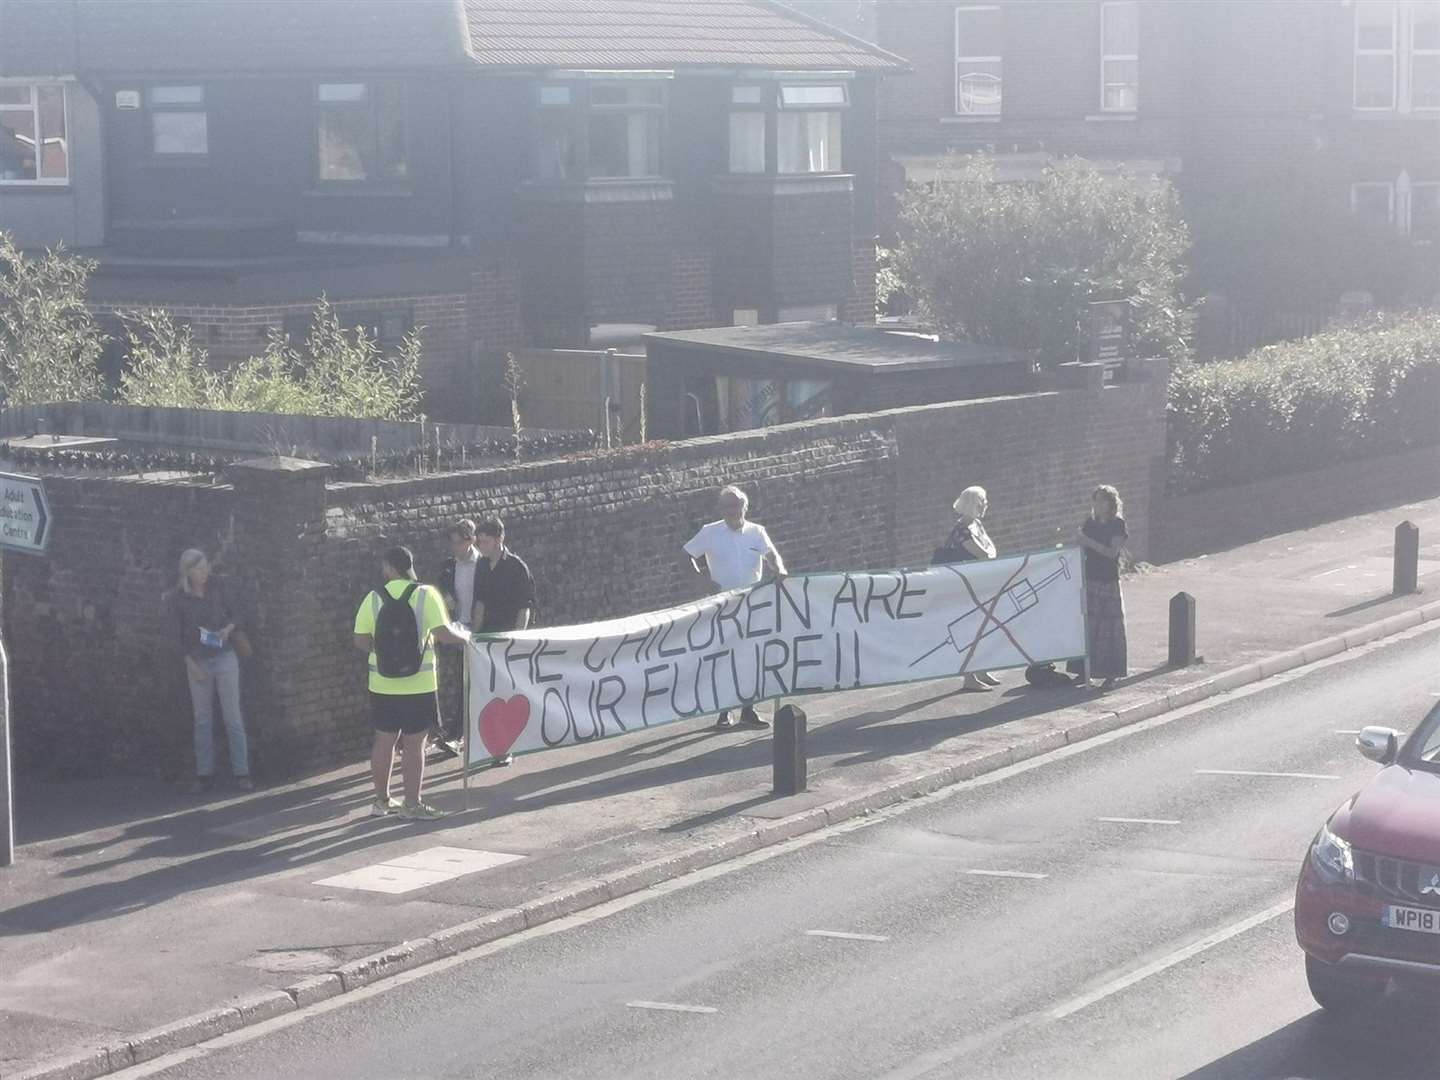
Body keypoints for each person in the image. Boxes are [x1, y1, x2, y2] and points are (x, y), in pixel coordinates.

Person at [353, 545, 469, 819]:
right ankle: (412, 805)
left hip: (381, 684)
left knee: (384, 741)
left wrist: (382, 652)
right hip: (419, 684)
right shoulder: (426, 595)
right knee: (414, 744)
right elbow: (443, 633)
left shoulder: (373, 598)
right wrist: (468, 638)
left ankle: (381, 802)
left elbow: (359, 640)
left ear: (390, 569)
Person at [683, 485, 788, 729]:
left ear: (744, 506)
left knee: (751, 657)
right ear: (721, 510)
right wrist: (701, 579)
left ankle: (748, 710)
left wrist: (779, 568)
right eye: (726, 506)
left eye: (735, 505)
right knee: (724, 657)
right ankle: (724, 711)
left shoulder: (756, 532)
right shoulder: (710, 532)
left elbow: (771, 554)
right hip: (722, 603)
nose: (731, 510)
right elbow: (685, 554)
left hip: (752, 603)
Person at [171, 549, 252, 793]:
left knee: (232, 716)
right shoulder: (179, 599)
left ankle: (242, 772)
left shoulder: (218, 587)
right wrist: (191, 665)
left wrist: (228, 629)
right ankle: (204, 774)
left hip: (224, 655)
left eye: (205, 567)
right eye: (198, 569)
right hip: (198, 661)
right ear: (188, 572)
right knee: (202, 719)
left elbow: (238, 613)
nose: (204, 573)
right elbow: (175, 636)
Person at [471, 516, 535, 766]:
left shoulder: (517, 567)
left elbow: (525, 606)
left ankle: (506, 747)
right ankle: (494, 745)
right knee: (490, 693)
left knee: (508, 692)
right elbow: (480, 603)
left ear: (499, 539)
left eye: (484, 542)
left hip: (508, 636)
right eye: (479, 542)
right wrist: (475, 636)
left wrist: (516, 638)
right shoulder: (482, 566)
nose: (480, 547)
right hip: (487, 638)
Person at [934, 486, 1001, 692]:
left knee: (982, 627)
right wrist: (989, 554)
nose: (985, 505)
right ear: (973, 504)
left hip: (978, 583)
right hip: (964, 587)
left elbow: (991, 550)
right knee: (970, 629)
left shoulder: (976, 524)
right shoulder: (962, 530)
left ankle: (980, 670)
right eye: (982, 501)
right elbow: (983, 553)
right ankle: (969, 676)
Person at [430, 519, 481, 760]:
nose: (454, 548)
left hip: (478, 631)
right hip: (457, 628)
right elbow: (442, 592)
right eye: (451, 543)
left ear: (471, 540)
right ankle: (454, 734)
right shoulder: (449, 566)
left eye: (458, 543)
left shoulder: (483, 565)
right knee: (459, 681)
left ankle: (458, 734)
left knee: (471, 683)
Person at [1073, 484, 1129, 691]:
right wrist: (1079, 542)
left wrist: (1087, 541)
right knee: (1089, 624)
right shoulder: (1090, 523)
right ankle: (1084, 669)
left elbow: (1111, 552)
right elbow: (1081, 546)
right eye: (1095, 500)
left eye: (1101, 501)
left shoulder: (1117, 525)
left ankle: (1110, 673)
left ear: (1110, 503)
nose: (1097, 505)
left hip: (1108, 579)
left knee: (1109, 627)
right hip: (1090, 577)